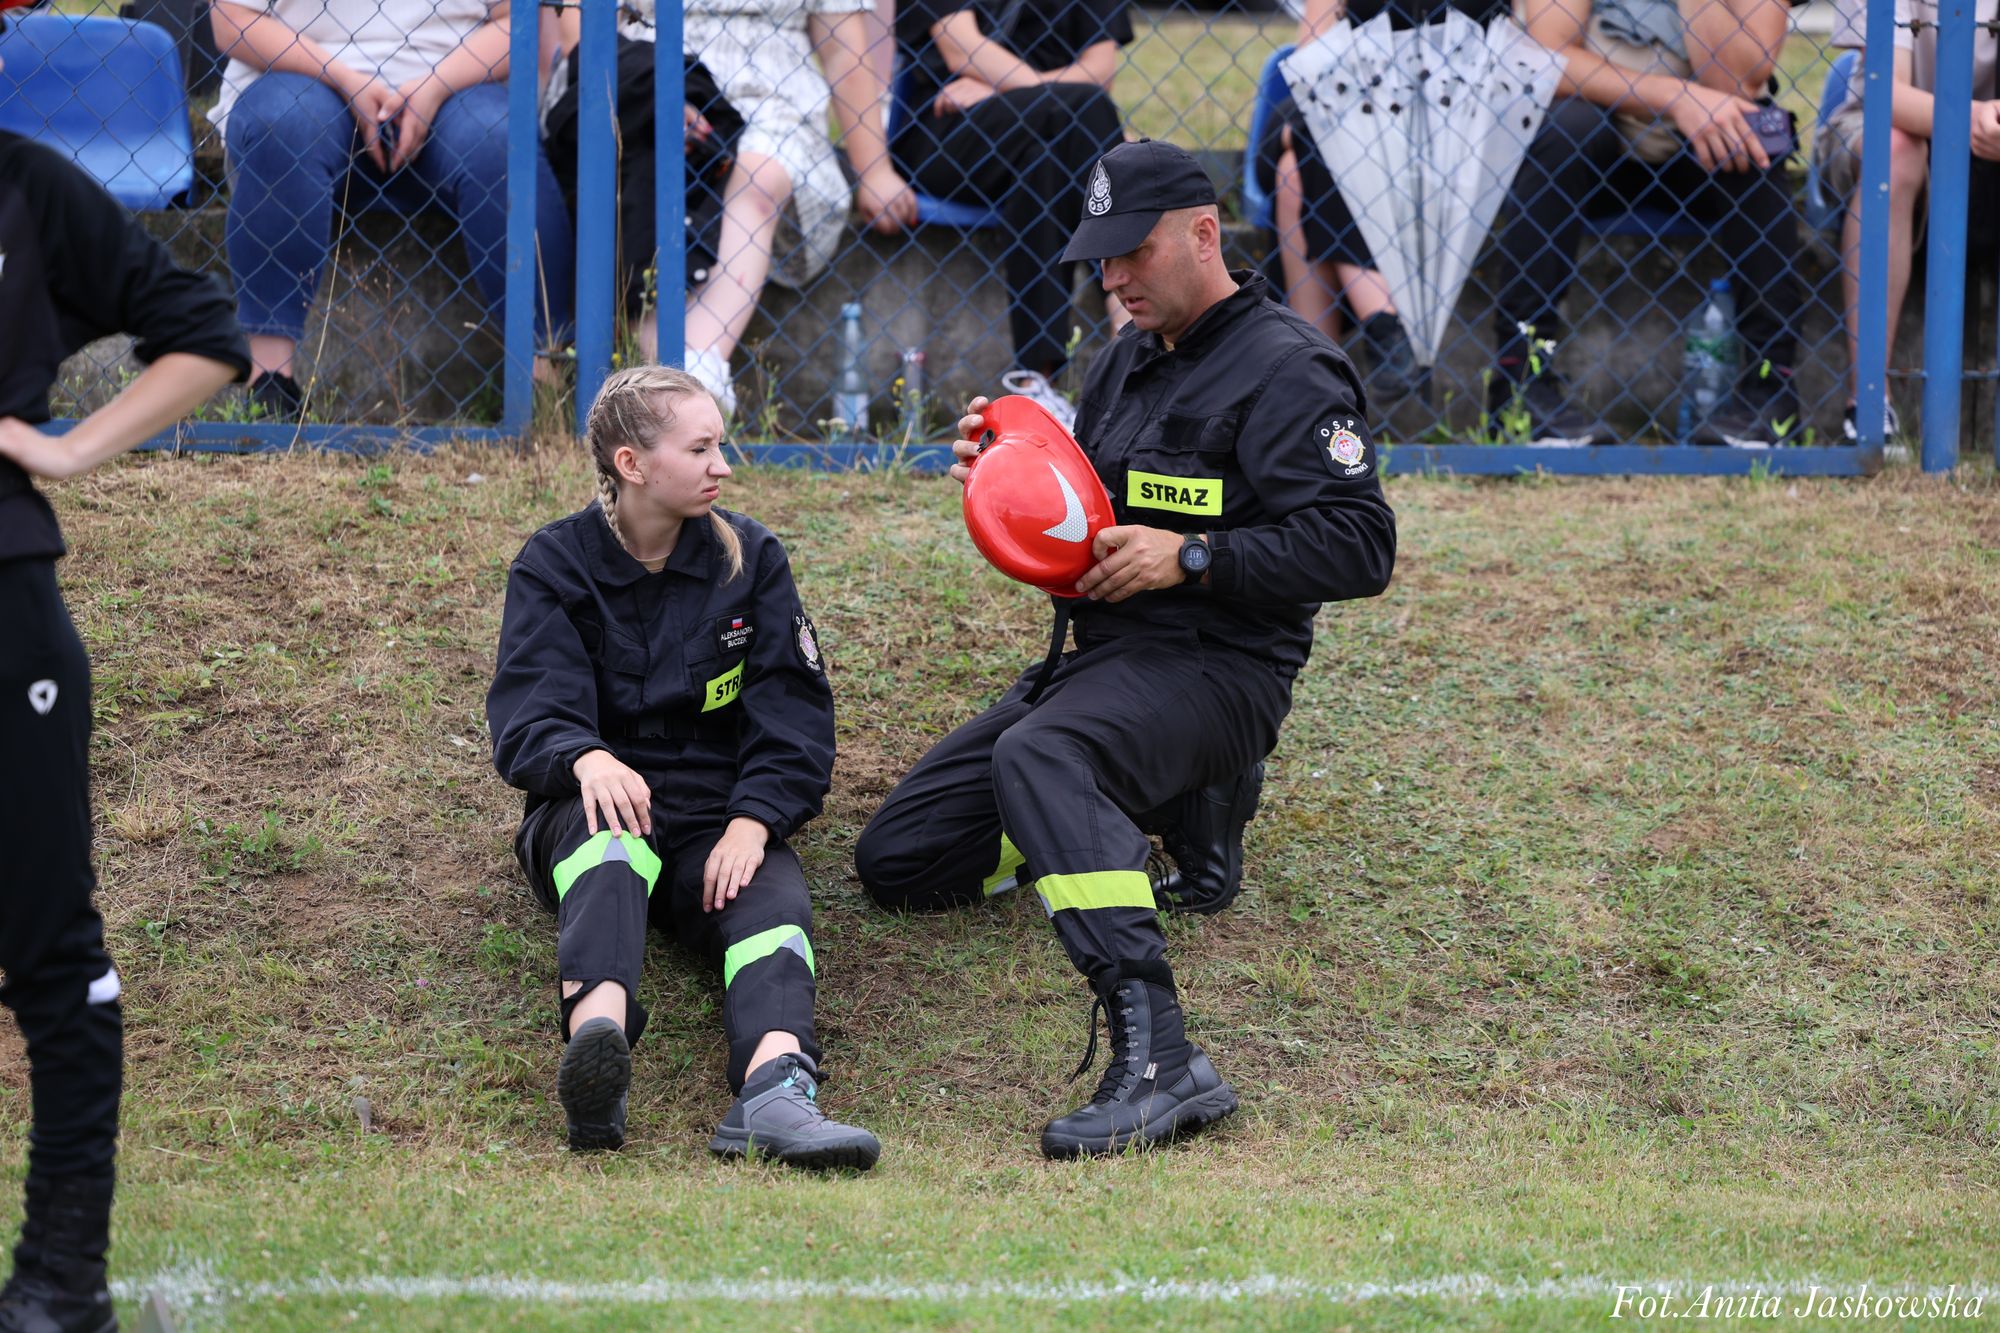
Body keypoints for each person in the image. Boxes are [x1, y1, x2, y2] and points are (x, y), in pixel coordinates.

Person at [855, 141, 1396, 1159]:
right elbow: (1093, 516)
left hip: (1217, 671)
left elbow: (1361, 547)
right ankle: (1162, 804)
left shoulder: (1290, 367)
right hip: (1105, 666)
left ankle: (1161, 1058)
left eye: (1132, 253)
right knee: (902, 861)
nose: (1111, 277)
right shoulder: (1124, 358)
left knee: (1041, 754)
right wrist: (1007, 473)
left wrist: (1190, 557)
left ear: (1203, 234)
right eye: (1100, 258)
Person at [0, 23, 252, 1324]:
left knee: (50, 947)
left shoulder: (26, 186)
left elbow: (203, 330)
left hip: (6, 609)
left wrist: (63, 451)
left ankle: (60, 1281)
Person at [486, 366, 878, 1168]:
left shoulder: (752, 559)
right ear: (632, 464)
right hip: (591, 807)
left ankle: (775, 1091)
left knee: (773, 903)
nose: (722, 465)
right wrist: (587, 757)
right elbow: (527, 712)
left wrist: (753, 822)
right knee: (612, 847)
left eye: (719, 445)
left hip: (714, 816)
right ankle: (597, 1045)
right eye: (700, 448)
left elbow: (794, 717)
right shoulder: (554, 565)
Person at [209, 0, 575, 419]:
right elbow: (232, 19)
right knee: (282, 126)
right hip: (303, 79)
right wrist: (345, 79)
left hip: (456, 86)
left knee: (500, 144)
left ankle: (545, 381)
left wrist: (433, 87)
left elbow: (518, 22)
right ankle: (270, 384)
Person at [550, 0, 916, 416]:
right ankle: (675, 384)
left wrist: (874, 171)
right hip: (647, 79)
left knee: (760, 175)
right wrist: (652, 94)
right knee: (649, 166)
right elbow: (583, 23)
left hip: (774, 102)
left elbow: (844, 51)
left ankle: (686, 374)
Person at [1487, 0, 1801, 445]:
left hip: (1705, 137)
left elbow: (1740, 81)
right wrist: (1673, 95)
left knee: (1750, 137)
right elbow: (1548, 58)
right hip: (1598, 128)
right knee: (1564, 128)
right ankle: (1521, 386)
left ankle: (1770, 391)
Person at [891, 0, 1133, 426]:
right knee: (1085, 110)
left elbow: (1100, 69)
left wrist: (1014, 89)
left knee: (1043, 162)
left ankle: (1035, 382)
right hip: (950, 126)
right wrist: (1031, 93)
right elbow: (960, 47)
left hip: (1055, 135)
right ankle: (1132, 329)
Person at [1260, 0, 1503, 403]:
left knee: (1294, 174)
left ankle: (1315, 386)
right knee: (1316, 137)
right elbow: (1313, 62)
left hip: (1460, 122)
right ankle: (1380, 322)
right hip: (1355, 107)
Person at [1818, 0, 2000, 444]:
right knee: (1897, 151)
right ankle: (1868, 402)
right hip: (1887, 130)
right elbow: (1887, 95)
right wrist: (1975, 119)